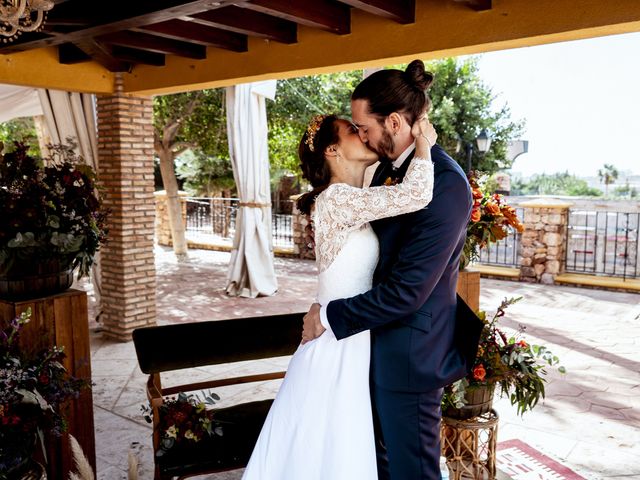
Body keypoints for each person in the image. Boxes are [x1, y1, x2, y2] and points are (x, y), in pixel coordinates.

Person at [241, 108, 438, 479]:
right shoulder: (336, 199)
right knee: (327, 450)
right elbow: (417, 195)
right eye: (352, 130)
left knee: (335, 449)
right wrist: (424, 142)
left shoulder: (352, 197)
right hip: (338, 344)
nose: (363, 134)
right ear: (332, 150)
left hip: (348, 333)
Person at [302, 60, 474, 479]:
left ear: (394, 121)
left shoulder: (447, 185)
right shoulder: (380, 173)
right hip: (365, 348)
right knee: (371, 466)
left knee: (412, 472)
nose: (361, 135)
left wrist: (327, 315)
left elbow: (408, 290)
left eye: (364, 126)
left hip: (409, 357)